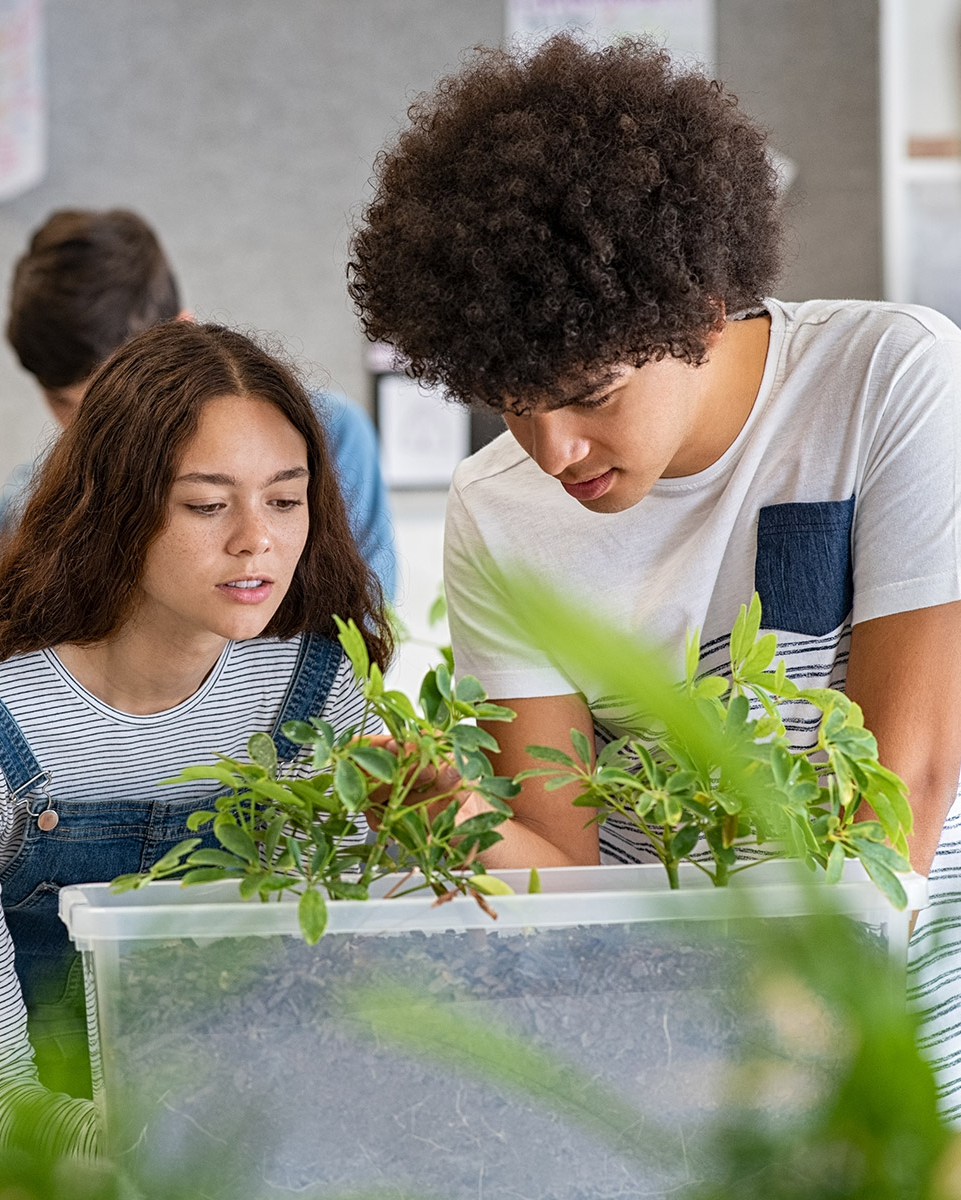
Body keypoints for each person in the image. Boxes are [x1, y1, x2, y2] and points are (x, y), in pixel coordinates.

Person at [347, 34, 961, 1113]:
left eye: (588, 391)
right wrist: (430, 806)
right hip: (657, 1050)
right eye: (507, 401)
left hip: (892, 1024)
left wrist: (797, 1040)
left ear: (699, 311)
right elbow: (564, 861)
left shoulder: (891, 379)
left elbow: (900, 786)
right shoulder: (496, 511)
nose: (552, 451)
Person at [0, 321, 392, 1154]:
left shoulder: (317, 692)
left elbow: (298, 985)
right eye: (207, 504)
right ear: (116, 510)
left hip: (154, 1075)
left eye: (285, 500)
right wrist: (173, 1149)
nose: (256, 538)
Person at [0, 207, 398, 601]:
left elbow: (363, 625)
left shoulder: (330, 433)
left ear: (182, 333)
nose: (93, 433)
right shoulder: (29, 499)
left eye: (282, 501)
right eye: (64, 404)